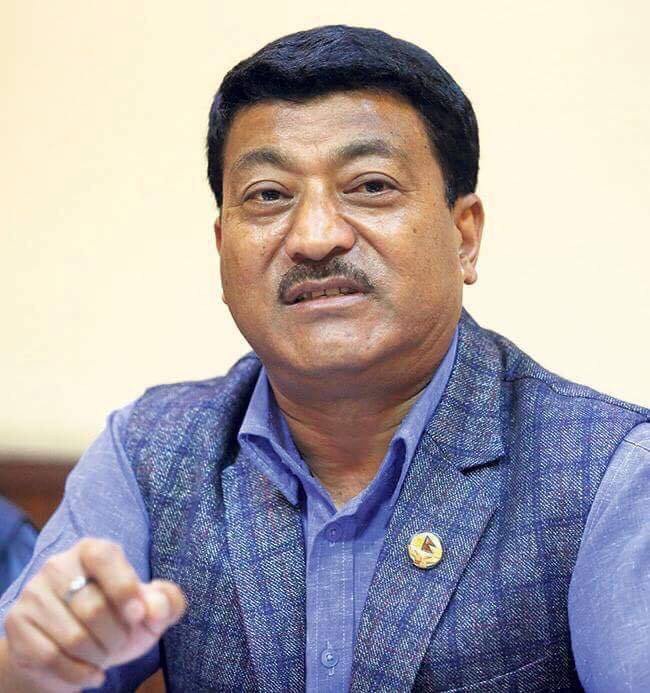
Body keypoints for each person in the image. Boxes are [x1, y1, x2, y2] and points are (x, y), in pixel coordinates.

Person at [0, 24, 648, 693]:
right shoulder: (150, 450)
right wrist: (33, 662)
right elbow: (28, 664)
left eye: (369, 186)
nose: (314, 237)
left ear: (464, 236)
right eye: (269, 196)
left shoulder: (609, 471)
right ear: (222, 247)